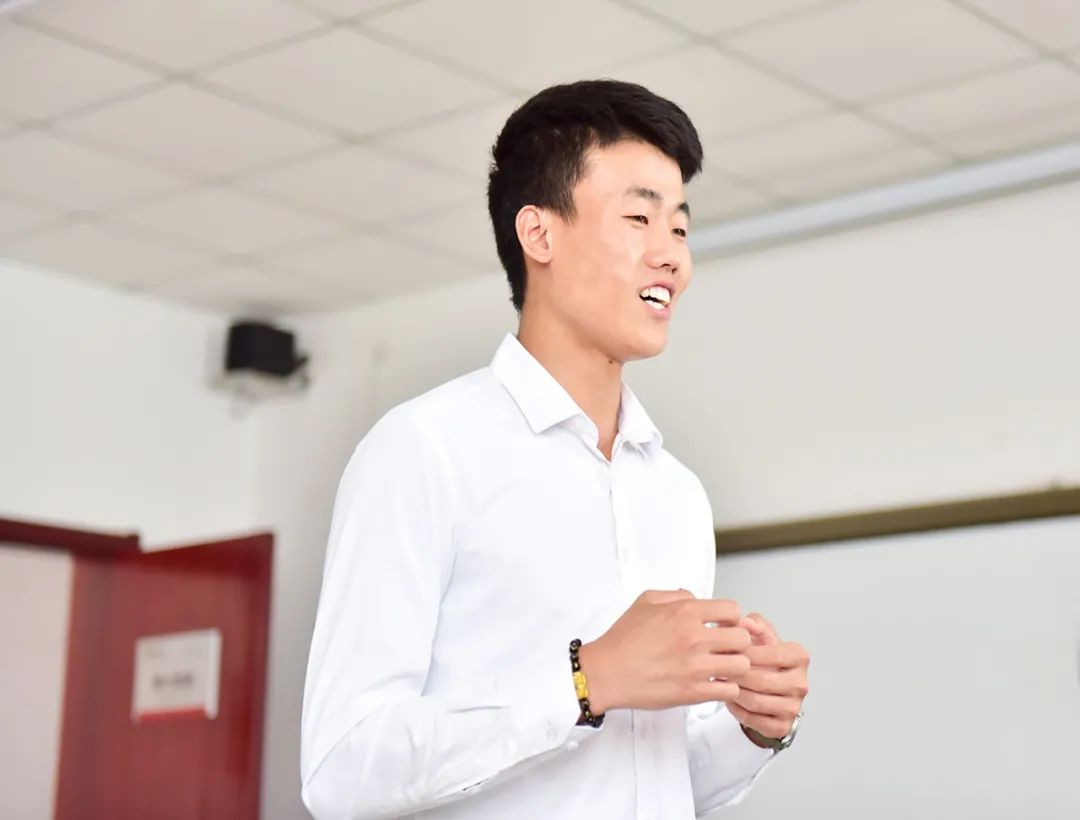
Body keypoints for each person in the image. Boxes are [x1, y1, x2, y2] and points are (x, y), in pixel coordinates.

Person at [301, 79, 810, 820]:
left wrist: (753, 730)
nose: (672, 257)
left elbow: (651, 783)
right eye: (639, 218)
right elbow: (342, 769)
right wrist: (586, 681)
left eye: (679, 229)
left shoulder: (676, 495)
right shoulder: (425, 450)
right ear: (539, 235)